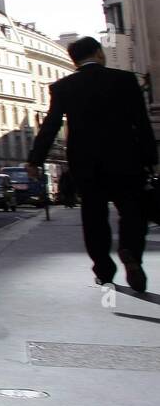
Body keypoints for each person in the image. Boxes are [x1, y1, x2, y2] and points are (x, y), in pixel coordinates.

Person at [28, 36, 155, 290]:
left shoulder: (63, 87)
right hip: (126, 158)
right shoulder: (124, 80)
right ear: (99, 53)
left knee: (94, 215)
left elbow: (51, 126)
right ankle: (130, 252)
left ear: (74, 60)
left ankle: (103, 268)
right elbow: (142, 123)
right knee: (133, 211)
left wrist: (35, 159)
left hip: (86, 163)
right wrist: (152, 160)